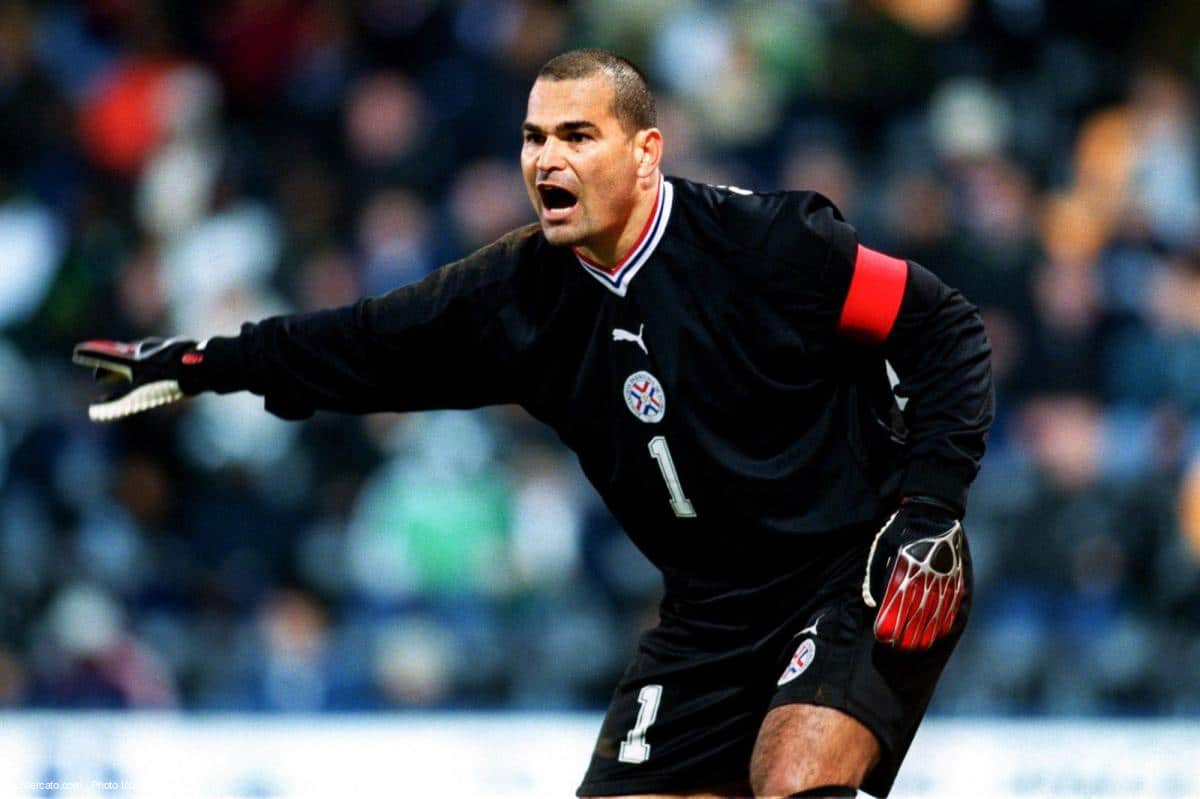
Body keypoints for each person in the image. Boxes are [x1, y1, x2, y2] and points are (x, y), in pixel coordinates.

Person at [74, 49, 992, 799]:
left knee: (793, 779)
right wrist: (201, 363)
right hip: (712, 616)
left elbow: (941, 324)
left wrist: (931, 509)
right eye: (532, 138)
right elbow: (358, 344)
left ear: (646, 152)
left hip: (865, 562)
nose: (546, 159)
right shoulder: (513, 297)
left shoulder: (767, 245)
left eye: (576, 136)